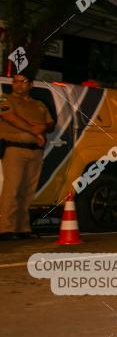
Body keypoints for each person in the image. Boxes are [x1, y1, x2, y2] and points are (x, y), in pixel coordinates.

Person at [0, 70, 54, 240]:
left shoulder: (39, 104)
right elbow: (9, 117)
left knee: (28, 191)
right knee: (12, 189)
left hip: (35, 152)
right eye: (15, 81)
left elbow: (50, 123)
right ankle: (5, 228)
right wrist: (35, 130)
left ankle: (23, 228)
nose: (18, 84)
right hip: (14, 149)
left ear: (30, 84)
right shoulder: (4, 99)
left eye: (22, 81)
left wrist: (42, 129)